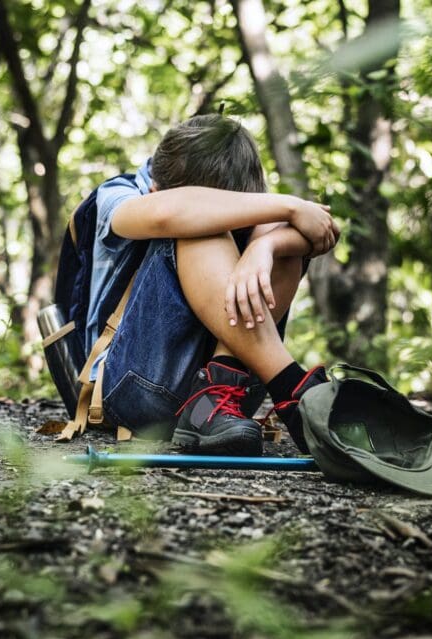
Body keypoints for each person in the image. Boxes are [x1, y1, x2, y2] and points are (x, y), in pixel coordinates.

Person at [86, 114, 339, 455]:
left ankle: (219, 386)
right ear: (155, 189)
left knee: (275, 231)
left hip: (225, 407)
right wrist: (292, 205)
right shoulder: (119, 194)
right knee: (197, 225)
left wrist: (265, 246)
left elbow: (321, 234)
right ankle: (292, 387)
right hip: (136, 390)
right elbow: (166, 214)